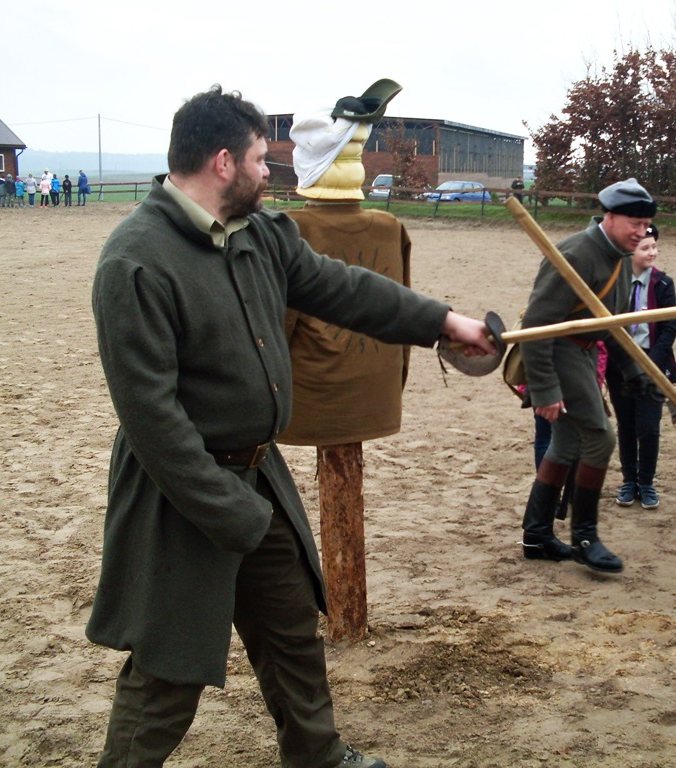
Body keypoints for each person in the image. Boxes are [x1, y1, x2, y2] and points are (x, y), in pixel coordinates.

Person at [87, 85, 494, 768]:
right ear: (222, 163)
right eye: (256, 159)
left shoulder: (262, 236)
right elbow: (152, 418)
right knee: (169, 670)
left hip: (258, 479)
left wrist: (443, 324)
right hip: (180, 496)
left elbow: (345, 288)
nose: (266, 172)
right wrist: (229, 515)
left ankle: (317, 754)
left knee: (289, 634)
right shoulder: (135, 260)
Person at [518, 177, 656, 573]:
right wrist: (544, 389)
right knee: (599, 436)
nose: (641, 232)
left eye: (645, 224)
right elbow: (538, 324)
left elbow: (610, 325)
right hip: (558, 350)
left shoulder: (615, 256)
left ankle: (537, 533)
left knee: (566, 442)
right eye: (634, 223)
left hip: (581, 351)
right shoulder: (577, 253)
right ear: (610, 217)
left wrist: (631, 370)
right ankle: (584, 535)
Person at [605, 223, 676, 510]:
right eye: (645, 247)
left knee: (648, 427)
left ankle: (646, 481)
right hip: (620, 364)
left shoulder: (663, 283)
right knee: (626, 424)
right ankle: (629, 480)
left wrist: (652, 364)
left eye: (654, 247)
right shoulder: (615, 280)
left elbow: (670, 327)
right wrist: (620, 358)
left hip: (652, 363)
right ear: (630, 250)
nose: (652, 252)